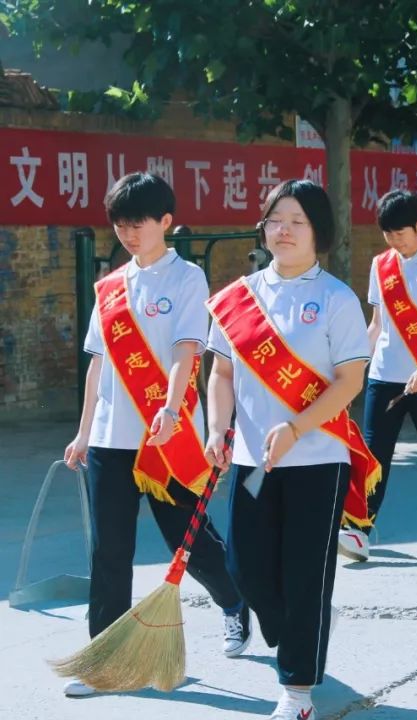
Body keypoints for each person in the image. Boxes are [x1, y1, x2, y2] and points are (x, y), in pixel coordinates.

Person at [61, 172, 248, 698]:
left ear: (166, 221)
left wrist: (169, 407)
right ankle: (105, 660)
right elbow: (97, 365)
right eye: (119, 223)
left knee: (186, 539)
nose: (128, 232)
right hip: (108, 440)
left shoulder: (186, 278)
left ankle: (234, 602)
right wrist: (82, 433)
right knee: (109, 550)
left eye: (138, 222)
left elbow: (186, 352)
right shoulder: (110, 287)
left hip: (165, 436)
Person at [205, 180, 378, 720]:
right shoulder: (241, 297)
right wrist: (216, 428)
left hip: (317, 460)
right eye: (275, 218)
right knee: (243, 565)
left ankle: (298, 689)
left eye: (296, 220)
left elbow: (350, 381)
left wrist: (298, 427)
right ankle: (291, 632)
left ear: (317, 233)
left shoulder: (335, 298)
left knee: (306, 573)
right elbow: (222, 372)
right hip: (253, 460)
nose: (282, 229)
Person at [336, 190, 417, 562]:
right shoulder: (382, 265)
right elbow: (377, 324)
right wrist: (354, 368)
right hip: (384, 373)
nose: (395, 241)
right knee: (374, 453)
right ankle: (360, 529)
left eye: (401, 233)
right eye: (388, 234)